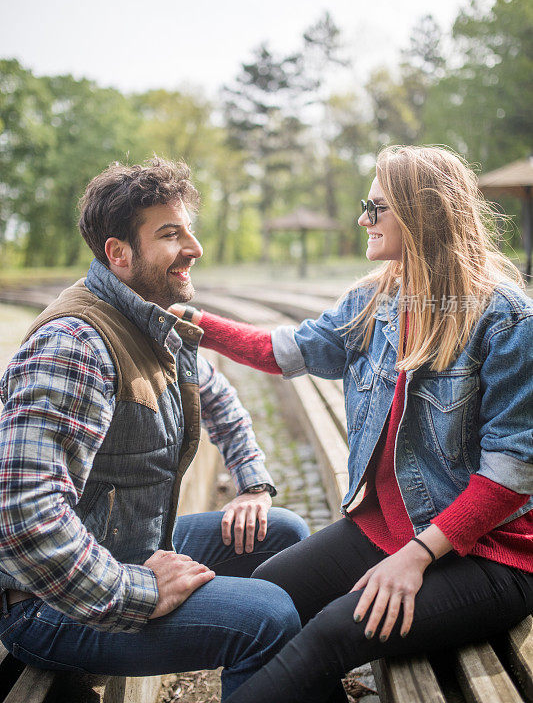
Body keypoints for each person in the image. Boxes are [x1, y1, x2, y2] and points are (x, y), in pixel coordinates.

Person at [171, 145, 533, 703]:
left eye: (376, 207)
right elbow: (286, 350)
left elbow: (512, 474)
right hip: (385, 528)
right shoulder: (376, 301)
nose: (363, 219)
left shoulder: (504, 316)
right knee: (258, 604)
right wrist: (198, 324)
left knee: (335, 631)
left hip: (487, 552)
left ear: (420, 212)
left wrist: (415, 558)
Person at [0, 156, 309, 701]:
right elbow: (24, 515)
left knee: (281, 532)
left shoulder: (150, 318)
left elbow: (219, 397)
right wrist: (138, 590)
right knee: (270, 616)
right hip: (48, 602)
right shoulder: (76, 345)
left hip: (127, 545)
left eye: (189, 229)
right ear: (118, 254)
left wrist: (253, 483)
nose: (195, 248)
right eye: (171, 234)